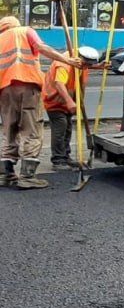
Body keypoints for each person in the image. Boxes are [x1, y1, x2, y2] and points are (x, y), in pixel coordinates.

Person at [0, 16, 81, 189]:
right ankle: (27, 176)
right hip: (27, 85)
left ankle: (5, 175)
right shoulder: (25, 31)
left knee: (9, 129)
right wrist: (67, 60)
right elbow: (42, 47)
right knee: (31, 129)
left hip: (4, 90)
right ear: (15, 24)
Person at [42, 46, 100, 171]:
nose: (86, 67)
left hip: (68, 103)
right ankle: (58, 160)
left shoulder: (80, 63)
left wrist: (100, 66)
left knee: (67, 128)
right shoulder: (64, 64)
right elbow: (59, 83)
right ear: (80, 59)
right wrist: (69, 101)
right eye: (85, 64)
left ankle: (65, 156)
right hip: (55, 101)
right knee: (60, 128)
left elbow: (85, 69)